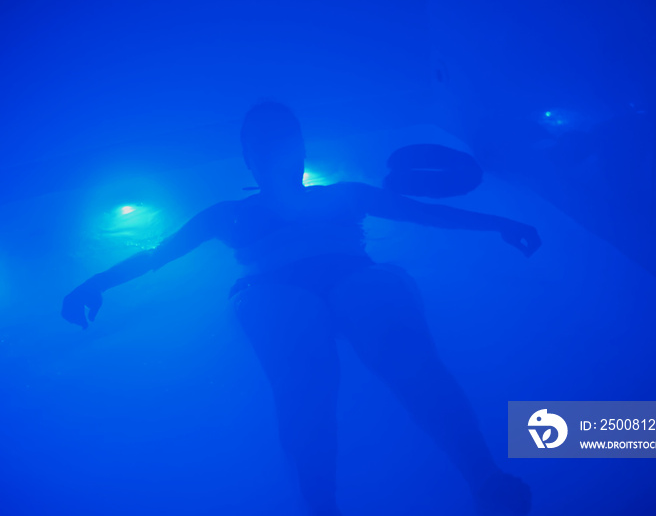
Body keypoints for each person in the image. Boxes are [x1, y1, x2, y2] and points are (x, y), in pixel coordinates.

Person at [62, 101, 541, 516]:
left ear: (300, 147)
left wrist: (500, 222)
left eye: (282, 137)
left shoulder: (341, 195)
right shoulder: (232, 213)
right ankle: (324, 508)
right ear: (248, 159)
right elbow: (157, 255)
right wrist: (96, 282)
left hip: (346, 281)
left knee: (383, 328)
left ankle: (484, 479)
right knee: (305, 364)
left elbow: (426, 213)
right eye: (263, 141)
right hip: (274, 291)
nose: (274, 148)